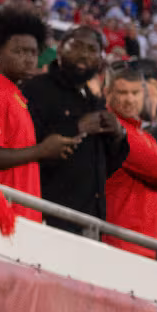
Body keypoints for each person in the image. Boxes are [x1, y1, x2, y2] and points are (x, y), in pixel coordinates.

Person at [0, 5, 83, 222]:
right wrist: (42, 150)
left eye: (32, 52)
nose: (29, 58)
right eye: (19, 51)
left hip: (21, 215)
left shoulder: (14, 93)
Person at [24, 26, 125, 231]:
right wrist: (77, 126)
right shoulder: (35, 89)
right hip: (47, 217)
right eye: (77, 46)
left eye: (91, 50)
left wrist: (118, 135)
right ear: (60, 49)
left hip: (90, 221)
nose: (84, 55)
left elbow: (107, 167)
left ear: (99, 59)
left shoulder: (95, 101)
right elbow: (26, 149)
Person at [98, 82, 157, 259]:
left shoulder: (145, 137)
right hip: (119, 243)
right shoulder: (115, 127)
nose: (130, 99)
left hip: (144, 246)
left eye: (135, 93)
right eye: (124, 92)